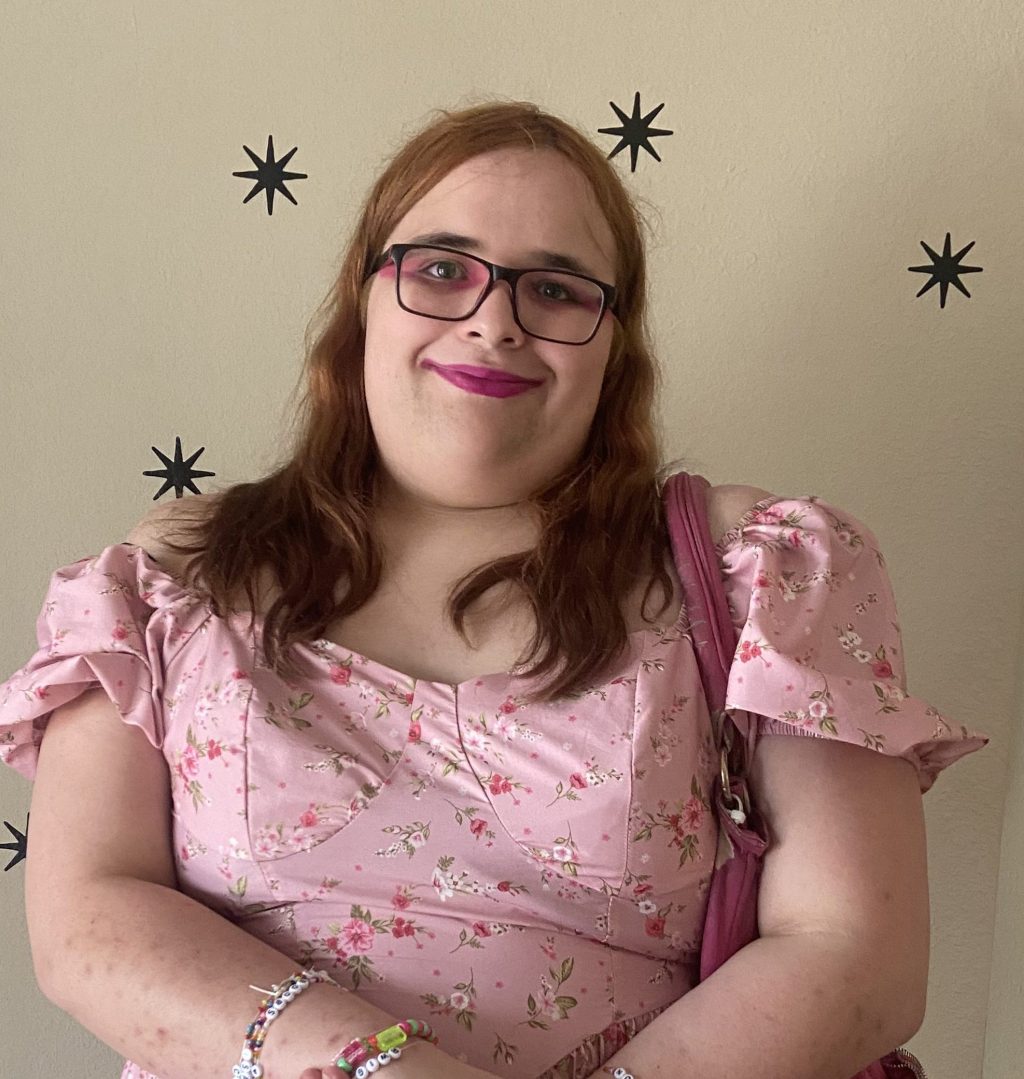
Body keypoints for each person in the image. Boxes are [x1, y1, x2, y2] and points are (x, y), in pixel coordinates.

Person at [0, 99, 989, 1079]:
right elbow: (88, 919)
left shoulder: (761, 569)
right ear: (363, 301)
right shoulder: (177, 570)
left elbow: (857, 956)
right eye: (441, 269)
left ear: (614, 343)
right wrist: (380, 1069)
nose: (494, 321)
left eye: (554, 288)